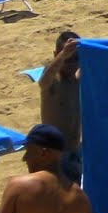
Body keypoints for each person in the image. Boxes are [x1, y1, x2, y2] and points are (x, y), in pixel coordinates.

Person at [38, 32, 83, 182]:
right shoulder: (53, 82)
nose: (72, 64)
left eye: (76, 59)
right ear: (56, 55)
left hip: (74, 150)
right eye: (68, 60)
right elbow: (43, 81)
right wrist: (63, 55)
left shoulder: (75, 80)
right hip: (55, 154)